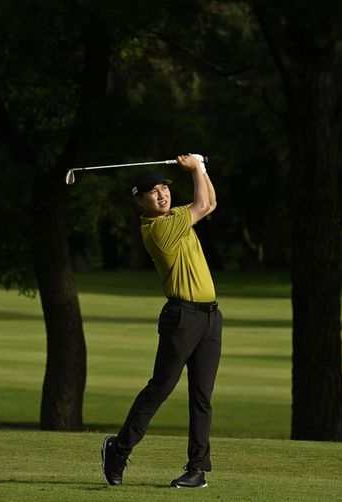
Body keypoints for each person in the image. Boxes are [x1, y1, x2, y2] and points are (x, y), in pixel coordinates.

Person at [101, 153, 222, 489]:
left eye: (164, 188)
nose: (162, 194)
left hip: (210, 317)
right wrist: (197, 168)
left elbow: (209, 203)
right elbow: (201, 203)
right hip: (181, 317)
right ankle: (119, 449)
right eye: (152, 192)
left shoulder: (176, 216)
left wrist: (202, 169)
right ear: (140, 200)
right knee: (161, 388)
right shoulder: (158, 228)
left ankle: (197, 469)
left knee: (202, 395)